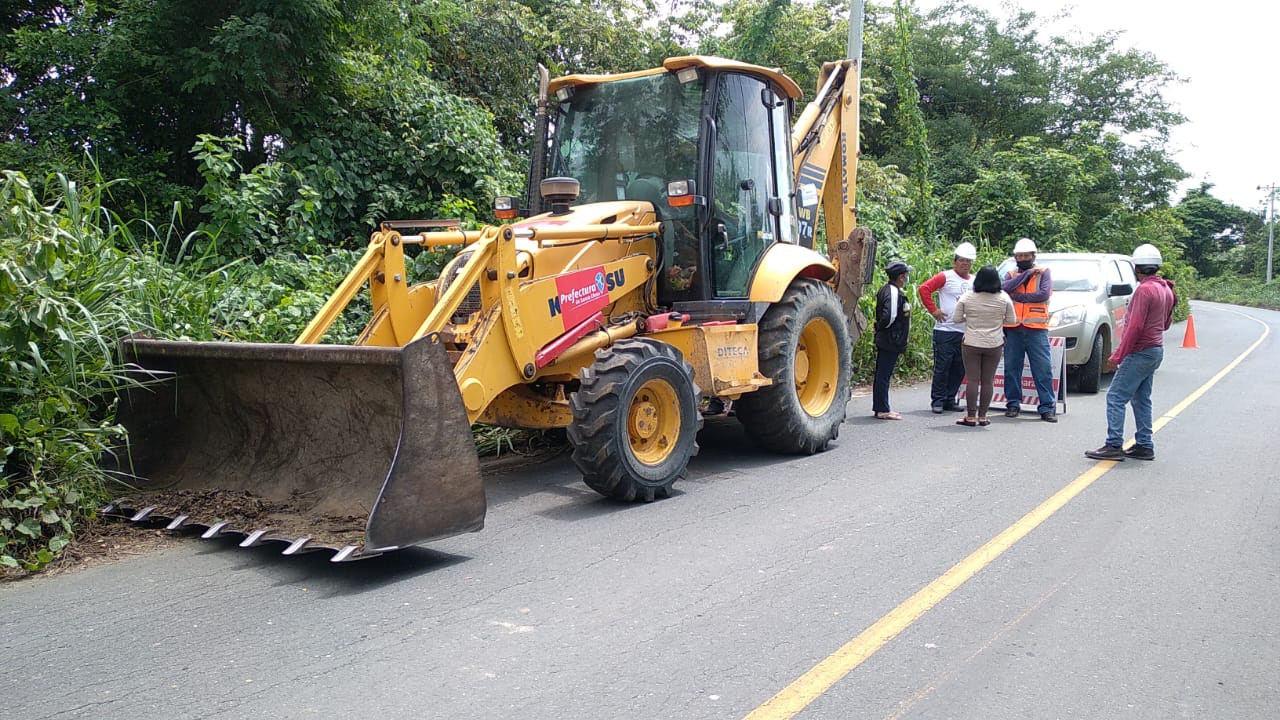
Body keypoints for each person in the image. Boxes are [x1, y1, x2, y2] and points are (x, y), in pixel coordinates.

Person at [1085, 244, 1177, 461]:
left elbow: (1134, 327)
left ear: (1136, 268)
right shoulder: (1166, 288)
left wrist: (1118, 356)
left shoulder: (1144, 290)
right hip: (1155, 350)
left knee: (1115, 397)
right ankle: (1144, 444)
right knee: (1141, 398)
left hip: (1140, 351)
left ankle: (1113, 444)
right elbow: (1166, 324)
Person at [951, 265, 1016, 427]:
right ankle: (983, 416)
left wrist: (969, 317)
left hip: (971, 342)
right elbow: (1011, 320)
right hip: (994, 343)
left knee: (972, 380)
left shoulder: (967, 297)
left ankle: (970, 416)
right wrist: (996, 320)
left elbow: (956, 319)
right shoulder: (1004, 297)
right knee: (988, 381)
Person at [1001, 237, 1057, 422]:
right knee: (1011, 369)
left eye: (1026, 255)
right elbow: (1004, 289)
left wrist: (1019, 297)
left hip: (1036, 329)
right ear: (1015, 257)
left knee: (1043, 369)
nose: (1023, 258)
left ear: (1034, 256)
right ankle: (1013, 404)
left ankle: (1047, 407)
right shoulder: (1010, 274)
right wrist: (1025, 275)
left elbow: (1043, 295)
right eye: (1020, 256)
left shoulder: (1044, 273)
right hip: (1013, 328)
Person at [919, 242, 976, 413]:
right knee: (943, 366)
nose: (965, 264)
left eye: (968, 261)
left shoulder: (974, 281)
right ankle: (938, 400)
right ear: (955, 261)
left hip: (965, 331)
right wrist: (934, 310)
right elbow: (924, 289)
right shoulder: (946, 276)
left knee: (959, 367)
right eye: (962, 260)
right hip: (945, 330)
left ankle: (950, 399)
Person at [873, 261, 912, 420]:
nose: (907, 277)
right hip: (890, 340)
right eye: (906, 275)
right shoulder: (893, 291)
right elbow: (890, 316)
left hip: (889, 339)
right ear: (901, 277)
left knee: (883, 374)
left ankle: (881, 407)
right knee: (883, 375)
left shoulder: (889, 290)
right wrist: (880, 327)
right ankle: (882, 409)